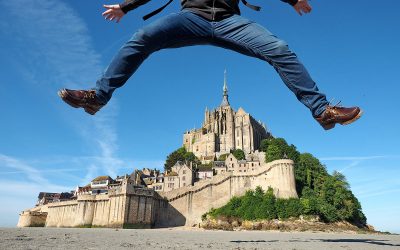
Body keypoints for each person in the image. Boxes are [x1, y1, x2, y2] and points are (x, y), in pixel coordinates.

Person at [58, 0, 362, 130]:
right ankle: (98, 97)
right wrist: (126, 7)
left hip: (229, 22)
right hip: (191, 19)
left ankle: (322, 111)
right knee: (142, 38)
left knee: (279, 48)